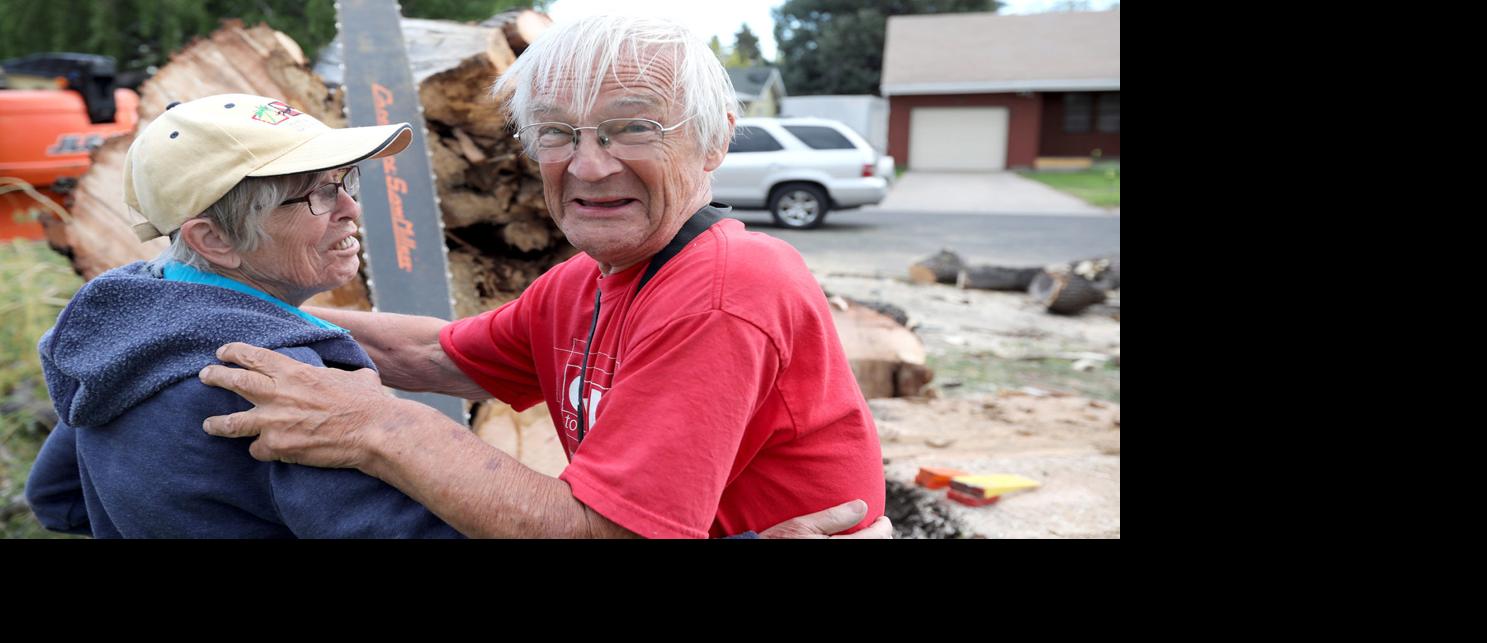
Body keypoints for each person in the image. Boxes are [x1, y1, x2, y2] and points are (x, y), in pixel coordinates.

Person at [27, 92, 883, 540]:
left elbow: (58, 496)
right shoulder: (292, 392)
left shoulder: (126, 338)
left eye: (346, 183)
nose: (350, 209)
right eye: (314, 195)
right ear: (211, 237)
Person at [197, 15, 888, 540]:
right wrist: (220, 307)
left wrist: (376, 427)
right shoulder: (587, 280)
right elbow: (433, 353)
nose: (587, 166)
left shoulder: (722, 289)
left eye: (632, 129)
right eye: (558, 133)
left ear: (714, 142)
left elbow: (603, 530)